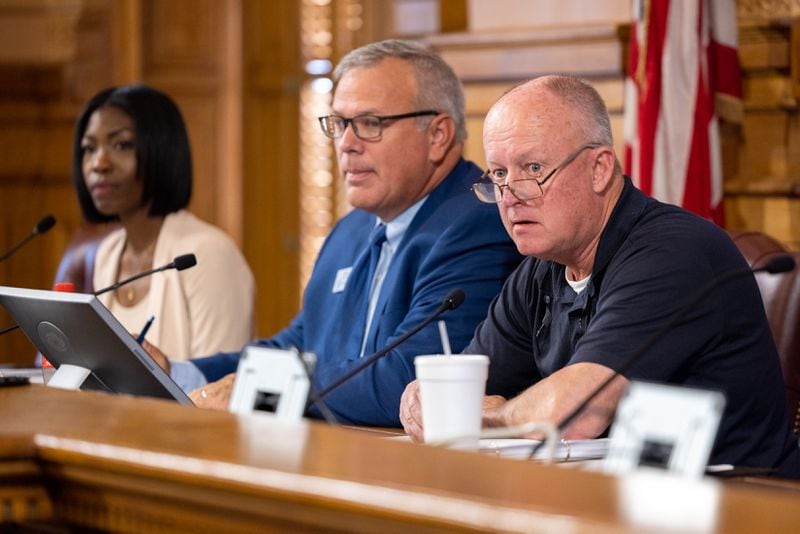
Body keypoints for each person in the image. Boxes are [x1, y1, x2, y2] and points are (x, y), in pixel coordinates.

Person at [400, 75, 800, 478]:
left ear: (599, 169)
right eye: (499, 174)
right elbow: (464, 387)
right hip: (613, 500)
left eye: (533, 168)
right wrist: (426, 399)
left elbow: (576, 413)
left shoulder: (675, 253)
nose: (509, 195)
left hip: (741, 502)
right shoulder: (539, 269)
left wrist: (484, 414)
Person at [159, 39, 522, 426]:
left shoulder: (479, 223)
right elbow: (299, 345)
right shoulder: (351, 229)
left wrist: (264, 387)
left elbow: (412, 379)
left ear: (437, 135)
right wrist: (179, 374)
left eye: (370, 124)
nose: (346, 144)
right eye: (340, 124)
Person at [71, 84, 255, 361]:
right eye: (89, 148)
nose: (99, 163)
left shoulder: (206, 254)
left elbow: (218, 384)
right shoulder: (108, 252)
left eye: (121, 145)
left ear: (161, 150)